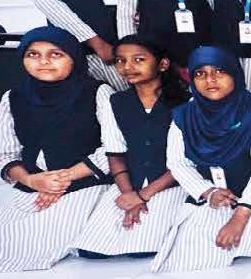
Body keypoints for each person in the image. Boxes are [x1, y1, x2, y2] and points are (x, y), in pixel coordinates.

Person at [0, 26, 115, 272]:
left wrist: (62, 179)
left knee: (40, 237)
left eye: (56, 54)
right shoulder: (13, 98)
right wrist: (32, 180)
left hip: (88, 181)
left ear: (73, 58)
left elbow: (114, 148)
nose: (43, 62)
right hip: (35, 183)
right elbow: (7, 154)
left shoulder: (98, 93)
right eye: (33, 54)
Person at [153, 46, 251, 272]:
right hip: (212, 196)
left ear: (235, 74)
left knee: (243, 248)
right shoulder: (184, 115)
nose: (210, 80)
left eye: (219, 71)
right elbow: (177, 163)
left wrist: (241, 215)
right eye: (200, 73)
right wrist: (208, 192)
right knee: (189, 256)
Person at [73, 35, 190, 259]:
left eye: (138, 60)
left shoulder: (186, 102)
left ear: (162, 64)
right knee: (91, 251)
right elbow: (115, 154)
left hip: (171, 183)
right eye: (120, 61)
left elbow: (188, 159)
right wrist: (128, 193)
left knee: (141, 248)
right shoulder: (116, 102)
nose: (127, 67)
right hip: (130, 182)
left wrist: (144, 195)